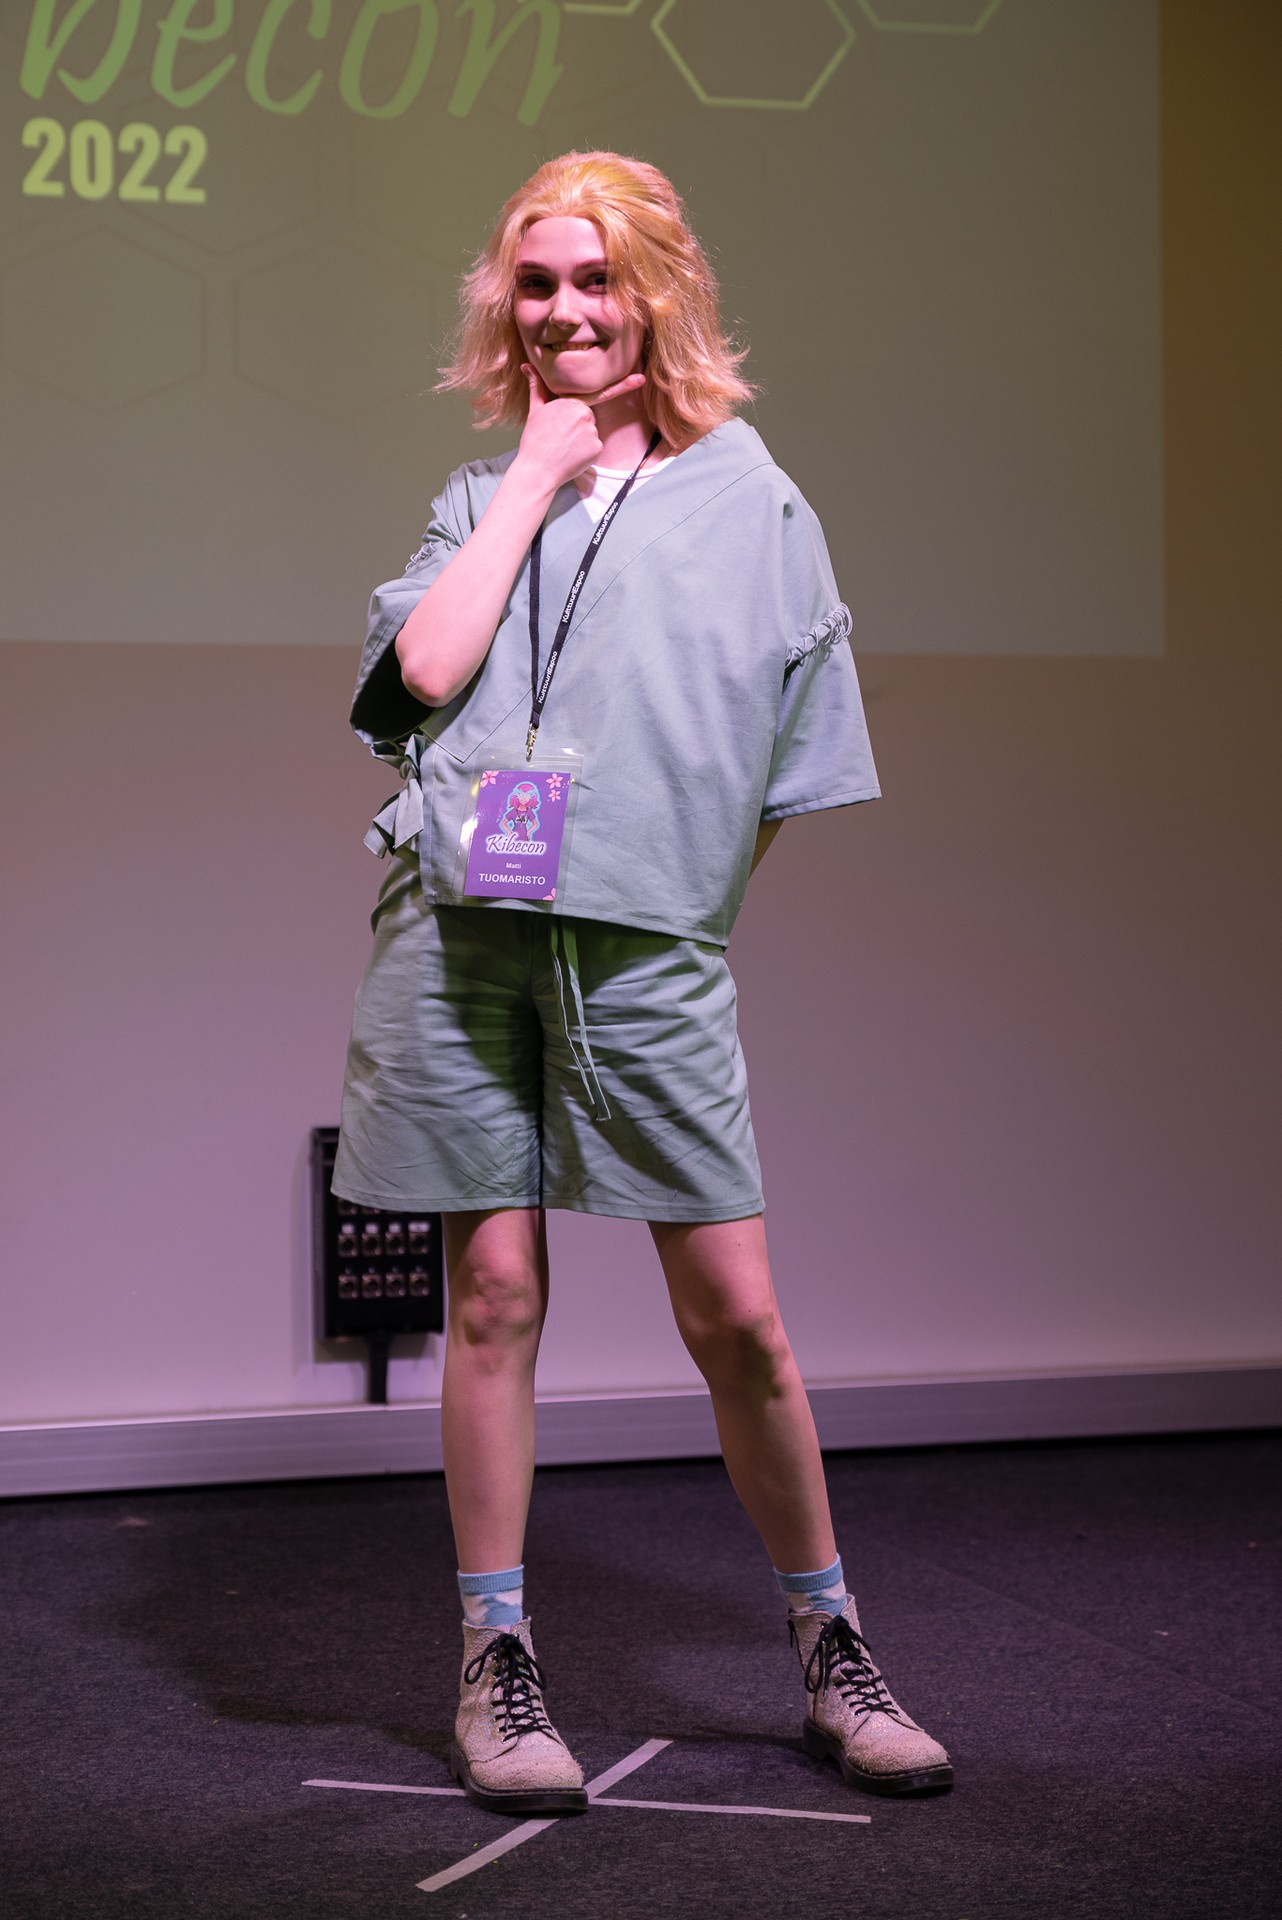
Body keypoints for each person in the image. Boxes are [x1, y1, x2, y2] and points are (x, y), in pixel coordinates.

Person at [334, 151, 952, 1816]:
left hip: (643, 944)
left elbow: (782, 764)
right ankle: (496, 1660)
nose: (564, 311)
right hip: (462, 927)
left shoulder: (755, 502)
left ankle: (830, 1645)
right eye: (536, 283)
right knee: (492, 1296)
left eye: (595, 278)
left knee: (735, 1316)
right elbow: (423, 673)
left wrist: (660, 893)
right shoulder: (482, 493)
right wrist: (536, 471)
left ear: (658, 292)